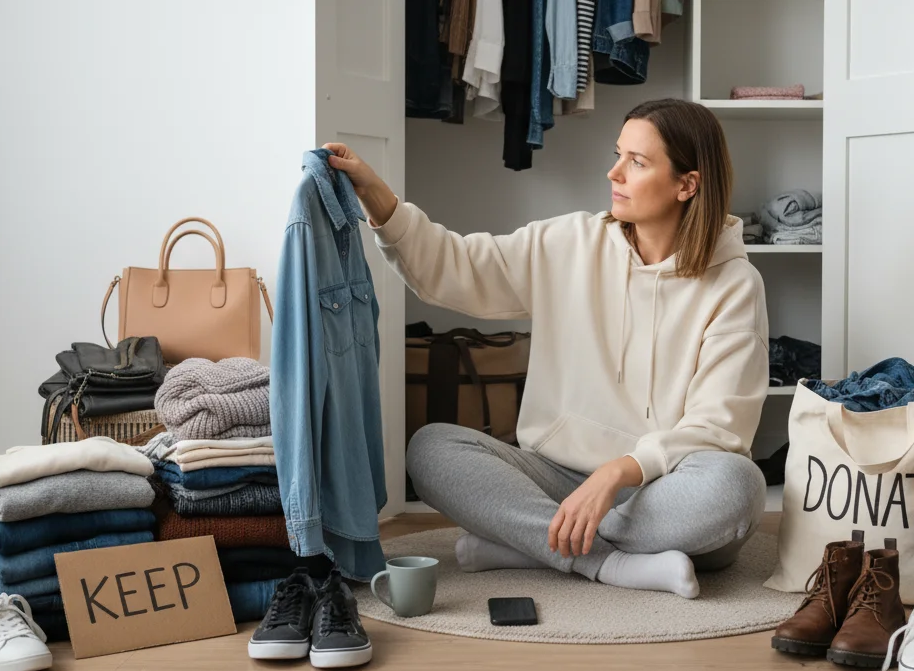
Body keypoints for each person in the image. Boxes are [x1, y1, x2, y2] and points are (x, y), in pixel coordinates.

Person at [324, 98, 769, 599]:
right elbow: (457, 266)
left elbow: (718, 428)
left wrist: (619, 472)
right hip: (555, 478)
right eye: (618, 154)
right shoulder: (572, 241)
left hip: (659, 492)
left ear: (687, 184)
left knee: (737, 487)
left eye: (637, 163)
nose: (614, 172)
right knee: (432, 448)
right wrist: (375, 195)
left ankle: (528, 544)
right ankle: (609, 563)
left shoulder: (735, 285)